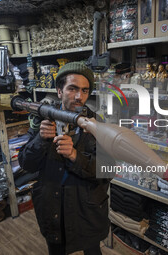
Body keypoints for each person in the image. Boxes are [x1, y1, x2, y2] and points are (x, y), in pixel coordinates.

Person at [18, 62, 113, 255]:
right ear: (59, 91)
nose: (79, 97)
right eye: (73, 88)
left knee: (92, 250)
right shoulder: (43, 119)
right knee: (56, 249)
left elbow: (108, 170)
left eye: (85, 90)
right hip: (53, 207)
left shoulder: (96, 125)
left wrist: (75, 156)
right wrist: (41, 139)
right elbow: (26, 163)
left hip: (87, 210)